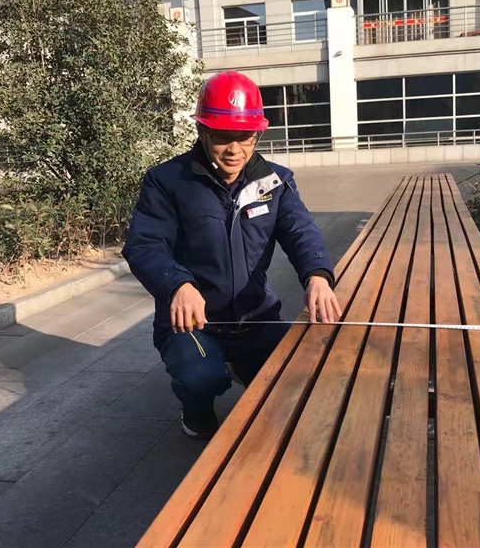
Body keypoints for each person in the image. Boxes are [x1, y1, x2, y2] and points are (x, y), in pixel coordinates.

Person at [123, 70, 342, 439]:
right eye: (223, 136)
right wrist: (177, 285)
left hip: (256, 316)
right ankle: (196, 409)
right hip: (194, 321)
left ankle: (245, 363)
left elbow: (301, 231)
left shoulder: (275, 181)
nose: (235, 149)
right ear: (202, 131)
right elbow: (145, 244)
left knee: (298, 377)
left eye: (246, 136)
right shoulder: (167, 181)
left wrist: (317, 275)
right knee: (200, 377)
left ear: (257, 134)